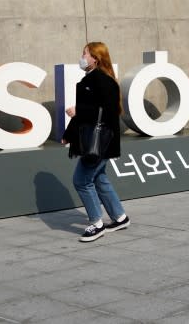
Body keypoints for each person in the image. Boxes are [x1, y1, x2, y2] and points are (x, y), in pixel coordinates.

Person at [62, 42, 129, 242]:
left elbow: (109, 112)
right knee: (99, 178)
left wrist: (79, 111)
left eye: (85, 53)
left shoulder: (102, 80)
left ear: (95, 59)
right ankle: (119, 217)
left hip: (99, 142)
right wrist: (69, 132)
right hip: (95, 140)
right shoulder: (91, 79)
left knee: (81, 181)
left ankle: (96, 224)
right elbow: (89, 113)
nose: (81, 57)